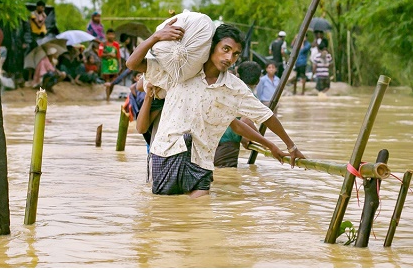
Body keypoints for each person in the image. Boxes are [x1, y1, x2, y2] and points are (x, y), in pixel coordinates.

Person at [127, 21, 305, 198]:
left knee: (200, 214)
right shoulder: (180, 72)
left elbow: (266, 116)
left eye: (235, 54)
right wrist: (156, 37)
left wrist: (290, 146)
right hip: (167, 153)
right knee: (164, 214)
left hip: (201, 162)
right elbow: (132, 64)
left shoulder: (235, 89)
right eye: (225, 49)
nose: (229, 58)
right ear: (212, 47)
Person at [213, 61, 262, 168]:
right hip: (228, 145)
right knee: (227, 180)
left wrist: (243, 138)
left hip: (211, 140)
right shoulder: (250, 96)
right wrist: (262, 140)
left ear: (237, 76)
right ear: (258, 81)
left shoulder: (228, 90)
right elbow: (245, 121)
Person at [98, 29, 121, 99]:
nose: (111, 36)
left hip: (114, 65)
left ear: (114, 35)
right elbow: (100, 54)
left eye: (112, 34)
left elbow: (118, 56)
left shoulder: (116, 44)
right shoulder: (102, 44)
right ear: (106, 35)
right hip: (106, 65)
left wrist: (120, 65)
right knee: (107, 81)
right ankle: (108, 98)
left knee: (113, 82)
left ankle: (108, 96)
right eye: (109, 34)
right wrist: (109, 54)